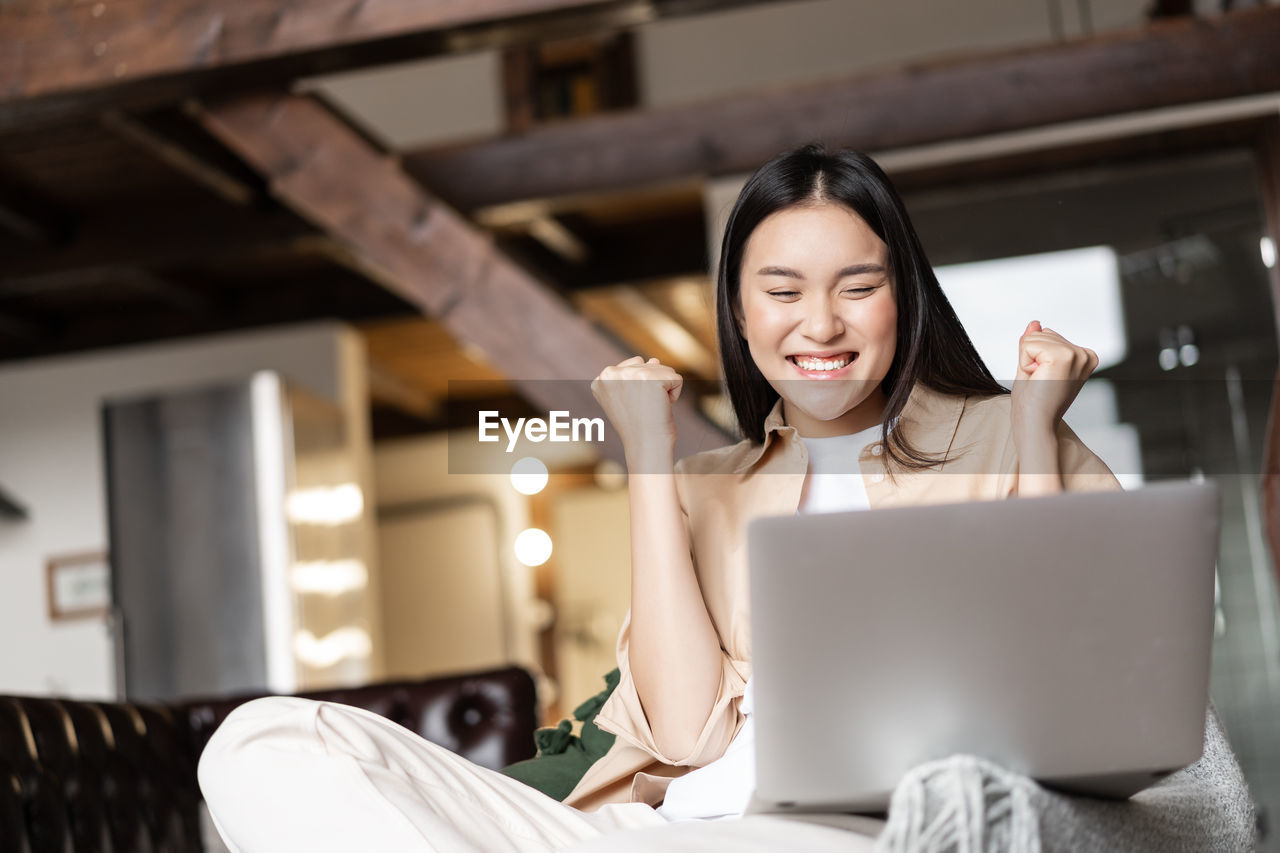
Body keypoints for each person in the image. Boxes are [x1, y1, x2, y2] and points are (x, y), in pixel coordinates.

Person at [197, 144, 1116, 852]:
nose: (821, 323)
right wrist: (647, 457)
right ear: (741, 310)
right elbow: (682, 731)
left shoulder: (1011, 435)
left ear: (902, 297)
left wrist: (1035, 428)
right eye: (782, 289)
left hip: (844, 829)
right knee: (262, 742)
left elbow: (1060, 687)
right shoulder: (708, 490)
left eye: (859, 287)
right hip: (659, 830)